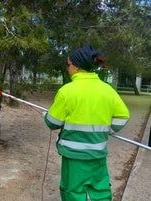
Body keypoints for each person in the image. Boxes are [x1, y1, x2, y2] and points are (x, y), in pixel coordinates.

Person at [43, 45, 130, 201]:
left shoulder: (67, 91)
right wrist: (107, 130)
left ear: (76, 67)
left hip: (74, 157)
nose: (67, 68)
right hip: (98, 154)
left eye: (68, 64)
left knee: (73, 192)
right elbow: (123, 116)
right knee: (101, 191)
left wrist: (46, 115)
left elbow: (53, 122)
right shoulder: (107, 89)